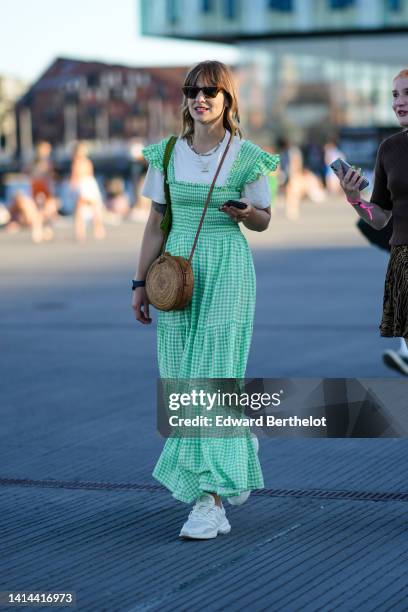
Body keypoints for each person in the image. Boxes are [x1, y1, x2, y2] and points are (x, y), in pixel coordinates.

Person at [132, 60, 279, 539]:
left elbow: (264, 220)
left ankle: (210, 500)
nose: (200, 98)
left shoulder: (248, 156)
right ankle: (235, 442)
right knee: (181, 383)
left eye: (211, 91)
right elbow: (157, 221)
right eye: (193, 90)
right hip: (175, 276)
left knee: (209, 378)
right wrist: (139, 285)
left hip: (227, 272)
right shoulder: (168, 152)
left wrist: (248, 211)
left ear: (227, 99)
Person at [338, 68, 408, 364]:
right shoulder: (389, 149)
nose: (399, 102)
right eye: (395, 95)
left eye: (407, 94)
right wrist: (355, 199)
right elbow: (379, 217)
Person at [69, 142, 106, 242]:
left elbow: (86, 174)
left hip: (87, 184)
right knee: (80, 210)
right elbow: (75, 176)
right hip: (83, 185)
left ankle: (97, 228)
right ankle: (81, 232)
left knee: (94, 208)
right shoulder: (77, 162)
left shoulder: (85, 162)